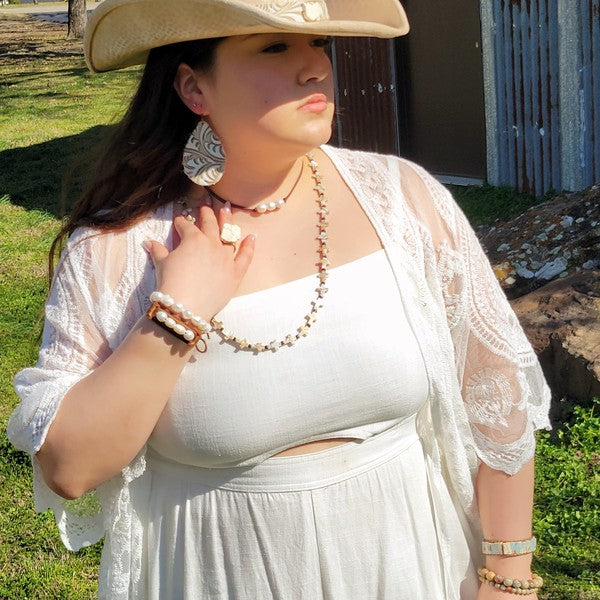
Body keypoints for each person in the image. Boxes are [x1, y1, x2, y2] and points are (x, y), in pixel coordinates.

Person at [8, 0, 552, 598]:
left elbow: (496, 392)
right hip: (219, 577)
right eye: (274, 47)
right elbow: (70, 467)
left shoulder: (403, 201)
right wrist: (174, 317)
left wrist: (509, 576)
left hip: (415, 569)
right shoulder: (119, 250)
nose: (316, 67)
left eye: (319, 44)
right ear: (193, 87)